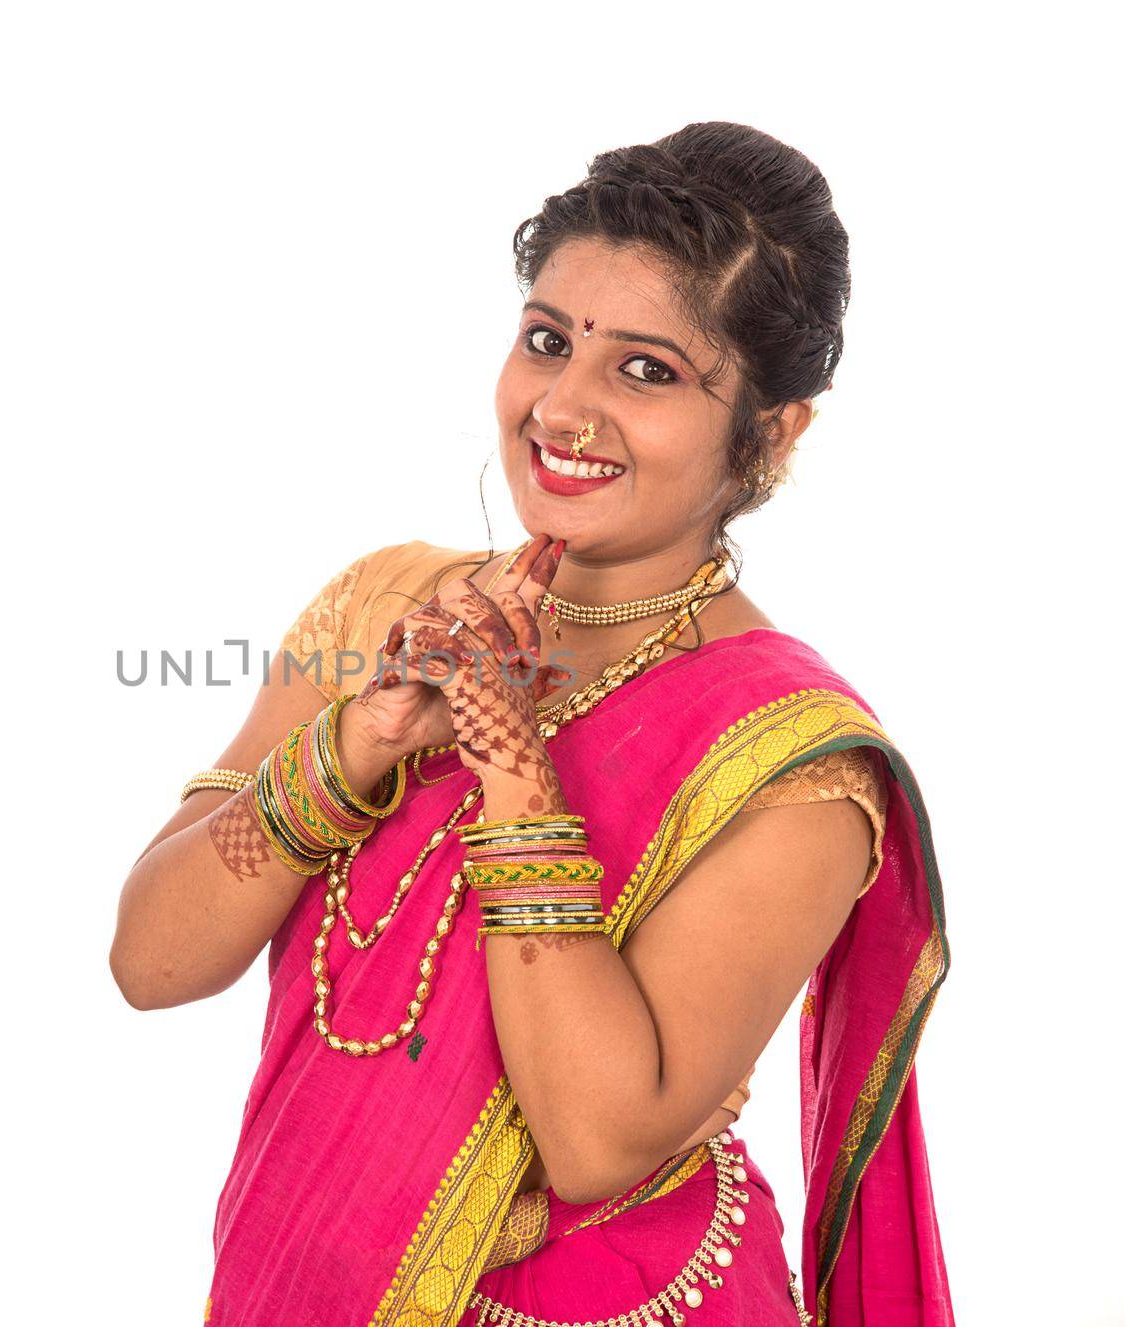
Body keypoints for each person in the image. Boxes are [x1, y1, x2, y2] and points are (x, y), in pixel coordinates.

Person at [110, 121, 953, 1327]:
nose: (563, 406)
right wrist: (356, 745)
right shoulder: (385, 602)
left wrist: (510, 755)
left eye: (648, 370)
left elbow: (597, 1138)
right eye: (547, 341)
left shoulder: (789, 764)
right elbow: (152, 960)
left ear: (771, 432)